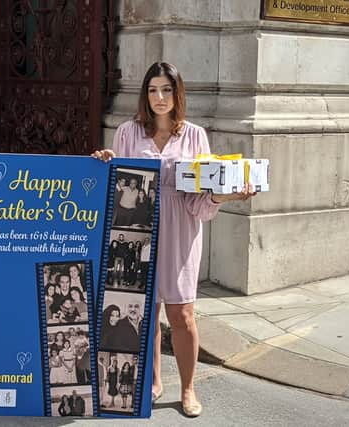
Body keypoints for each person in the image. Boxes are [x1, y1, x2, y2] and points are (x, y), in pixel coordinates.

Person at [92, 62, 255, 417]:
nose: (159, 97)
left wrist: (225, 197)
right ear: (145, 94)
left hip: (181, 229)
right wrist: (104, 162)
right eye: (153, 90)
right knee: (144, 312)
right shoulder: (127, 132)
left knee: (182, 314)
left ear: (177, 93)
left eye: (166, 90)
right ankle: (152, 383)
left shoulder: (195, 135)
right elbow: (117, 184)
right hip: (137, 233)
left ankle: (188, 388)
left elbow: (200, 199)